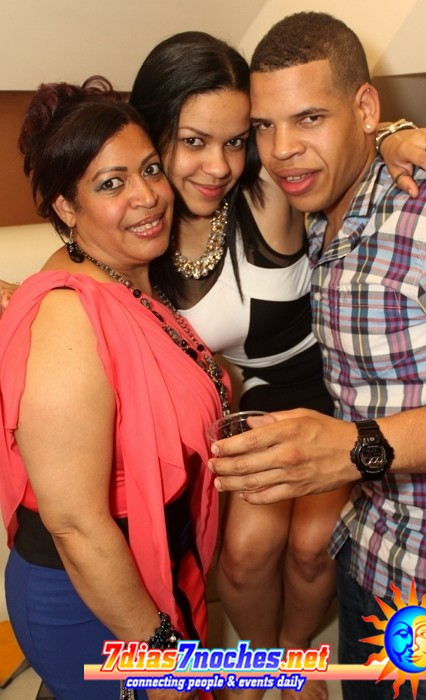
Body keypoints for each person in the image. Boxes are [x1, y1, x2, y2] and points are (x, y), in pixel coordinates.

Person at [0, 32, 426, 700]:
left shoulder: (262, 190)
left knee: (313, 545)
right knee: (243, 554)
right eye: (192, 142)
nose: (218, 165)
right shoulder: (138, 238)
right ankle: (260, 664)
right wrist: (25, 302)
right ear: (158, 135)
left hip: (326, 387)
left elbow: (326, 143)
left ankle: (293, 661)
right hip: (237, 409)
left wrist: (393, 133)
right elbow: (71, 290)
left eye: (238, 139)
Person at [207, 12, 426, 700]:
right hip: (370, 558)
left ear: (364, 107)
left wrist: (357, 448)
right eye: (264, 126)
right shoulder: (328, 216)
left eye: (310, 118)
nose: (282, 151)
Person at [0, 76, 230, 700]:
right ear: (65, 208)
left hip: (153, 567)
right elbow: (75, 524)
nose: (147, 195)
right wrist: (160, 657)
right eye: (110, 183)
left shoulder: (124, 278)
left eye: (150, 169)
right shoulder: (70, 316)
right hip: (91, 596)